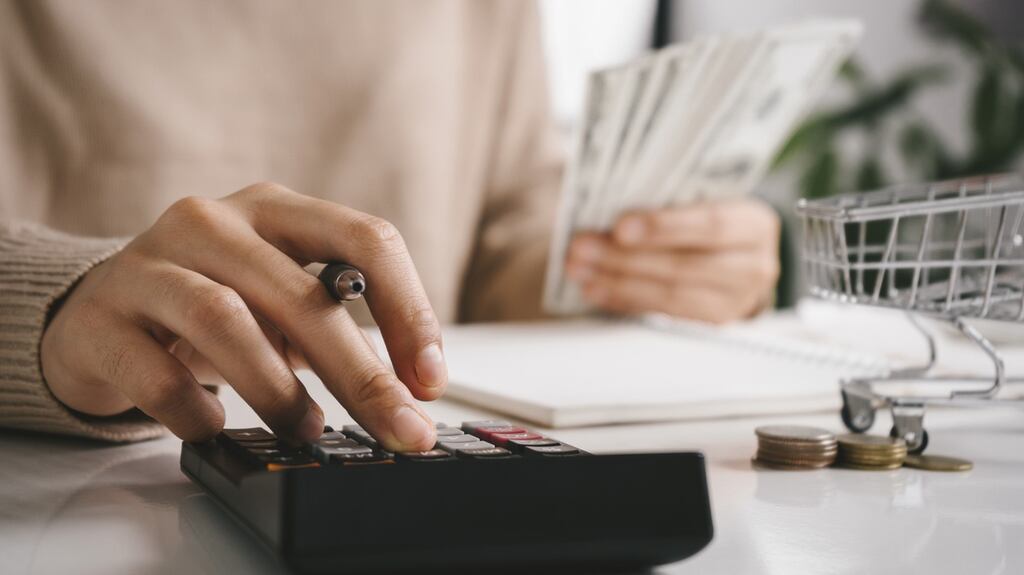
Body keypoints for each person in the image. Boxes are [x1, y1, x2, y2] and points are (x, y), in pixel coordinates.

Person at [0, 1, 779, 452]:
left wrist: (647, 256)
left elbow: (512, 227)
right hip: (74, 491)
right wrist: (56, 306)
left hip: (416, 470)